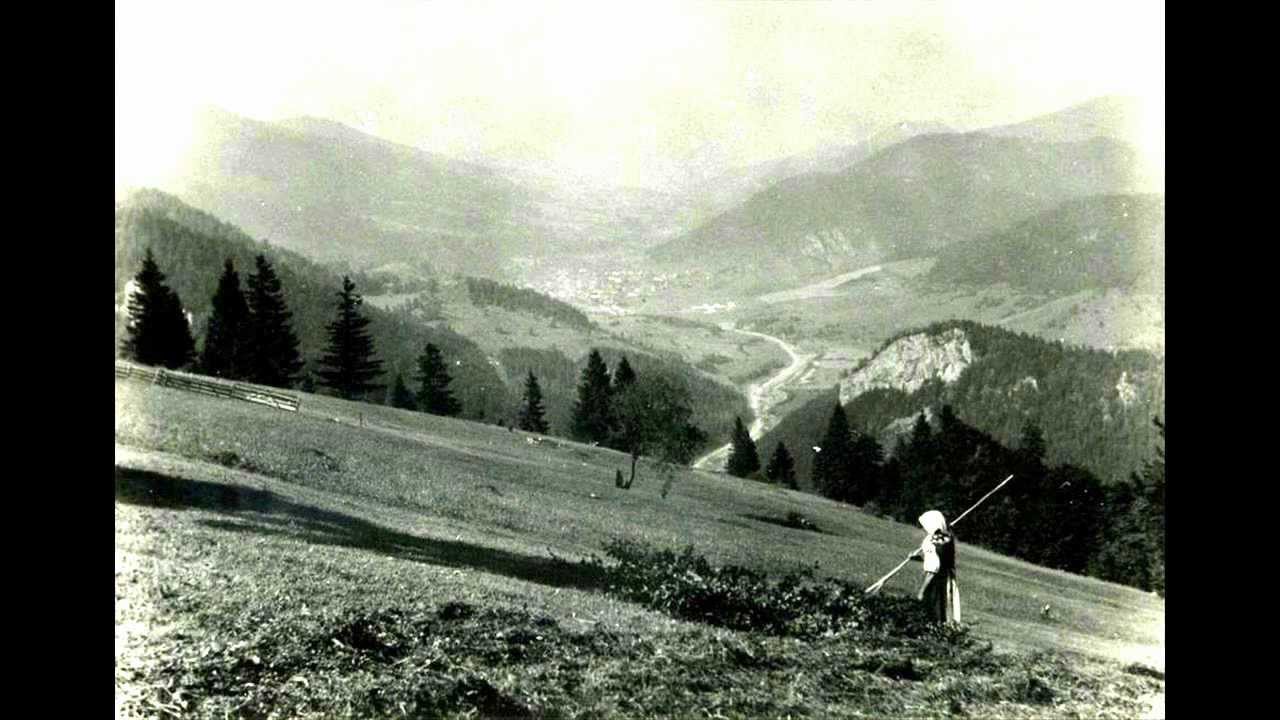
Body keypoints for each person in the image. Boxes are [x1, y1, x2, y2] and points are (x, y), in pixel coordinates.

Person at [908, 510, 961, 624]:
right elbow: (936, 560)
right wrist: (918, 558)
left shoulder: (937, 541)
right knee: (938, 607)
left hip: (935, 581)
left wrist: (922, 590)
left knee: (932, 607)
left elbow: (933, 569)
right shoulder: (944, 538)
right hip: (940, 577)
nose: (924, 528)